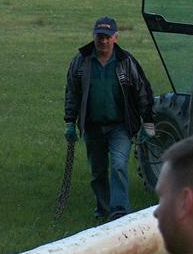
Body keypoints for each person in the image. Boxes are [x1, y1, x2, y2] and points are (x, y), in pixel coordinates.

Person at [64, 16, 155, 221]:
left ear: (115, 38)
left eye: (107, 37)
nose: (103, 41)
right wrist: (70, 122)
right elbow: (72, 93)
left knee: (119, 166)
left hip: (120, 127)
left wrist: (148, 122)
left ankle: (119, 213)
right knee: (98, 172)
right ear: (93, 36)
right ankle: (103, 210)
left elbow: (142, 91)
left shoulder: (126, 61)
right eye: (99, 36)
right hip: (92, 126)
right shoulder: (81, 61)